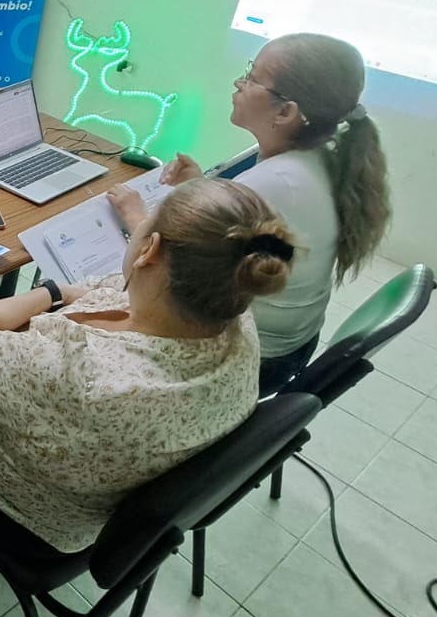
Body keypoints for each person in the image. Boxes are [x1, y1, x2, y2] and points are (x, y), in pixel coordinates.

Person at [0, 179, 292, 553]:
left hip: (28, 506)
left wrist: (52, 292)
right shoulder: (238, 325)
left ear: (148, 250)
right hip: (98, 488)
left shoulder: (82, 372)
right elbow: (113, 292)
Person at [134, 33, 392, 394]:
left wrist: (136, 218)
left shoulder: (277, 183)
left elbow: (165, 265)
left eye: (253, 78)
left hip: (253, 361)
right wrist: (200, 191)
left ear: (286, 112)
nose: (238, 83)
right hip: (292, 346)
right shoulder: (320, 158)